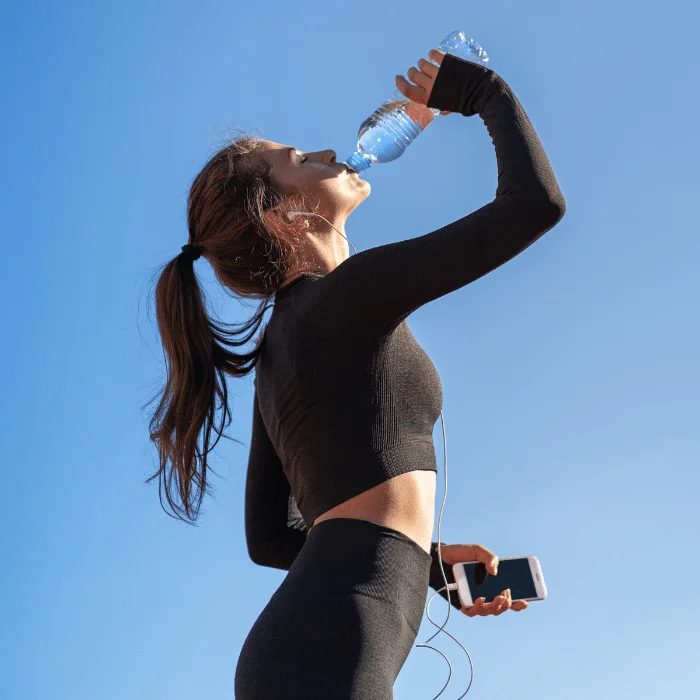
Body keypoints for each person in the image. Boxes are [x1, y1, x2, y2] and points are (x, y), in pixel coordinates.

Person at [147, 47, 565, 699]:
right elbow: (534, 206)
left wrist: (431, 565)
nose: (324, 150)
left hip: (306, 652)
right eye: (301, 161)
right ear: (284, 217)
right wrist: (484, 90)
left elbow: (270, 539)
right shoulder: (341, 298)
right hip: (322, 659)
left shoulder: (282, 349)